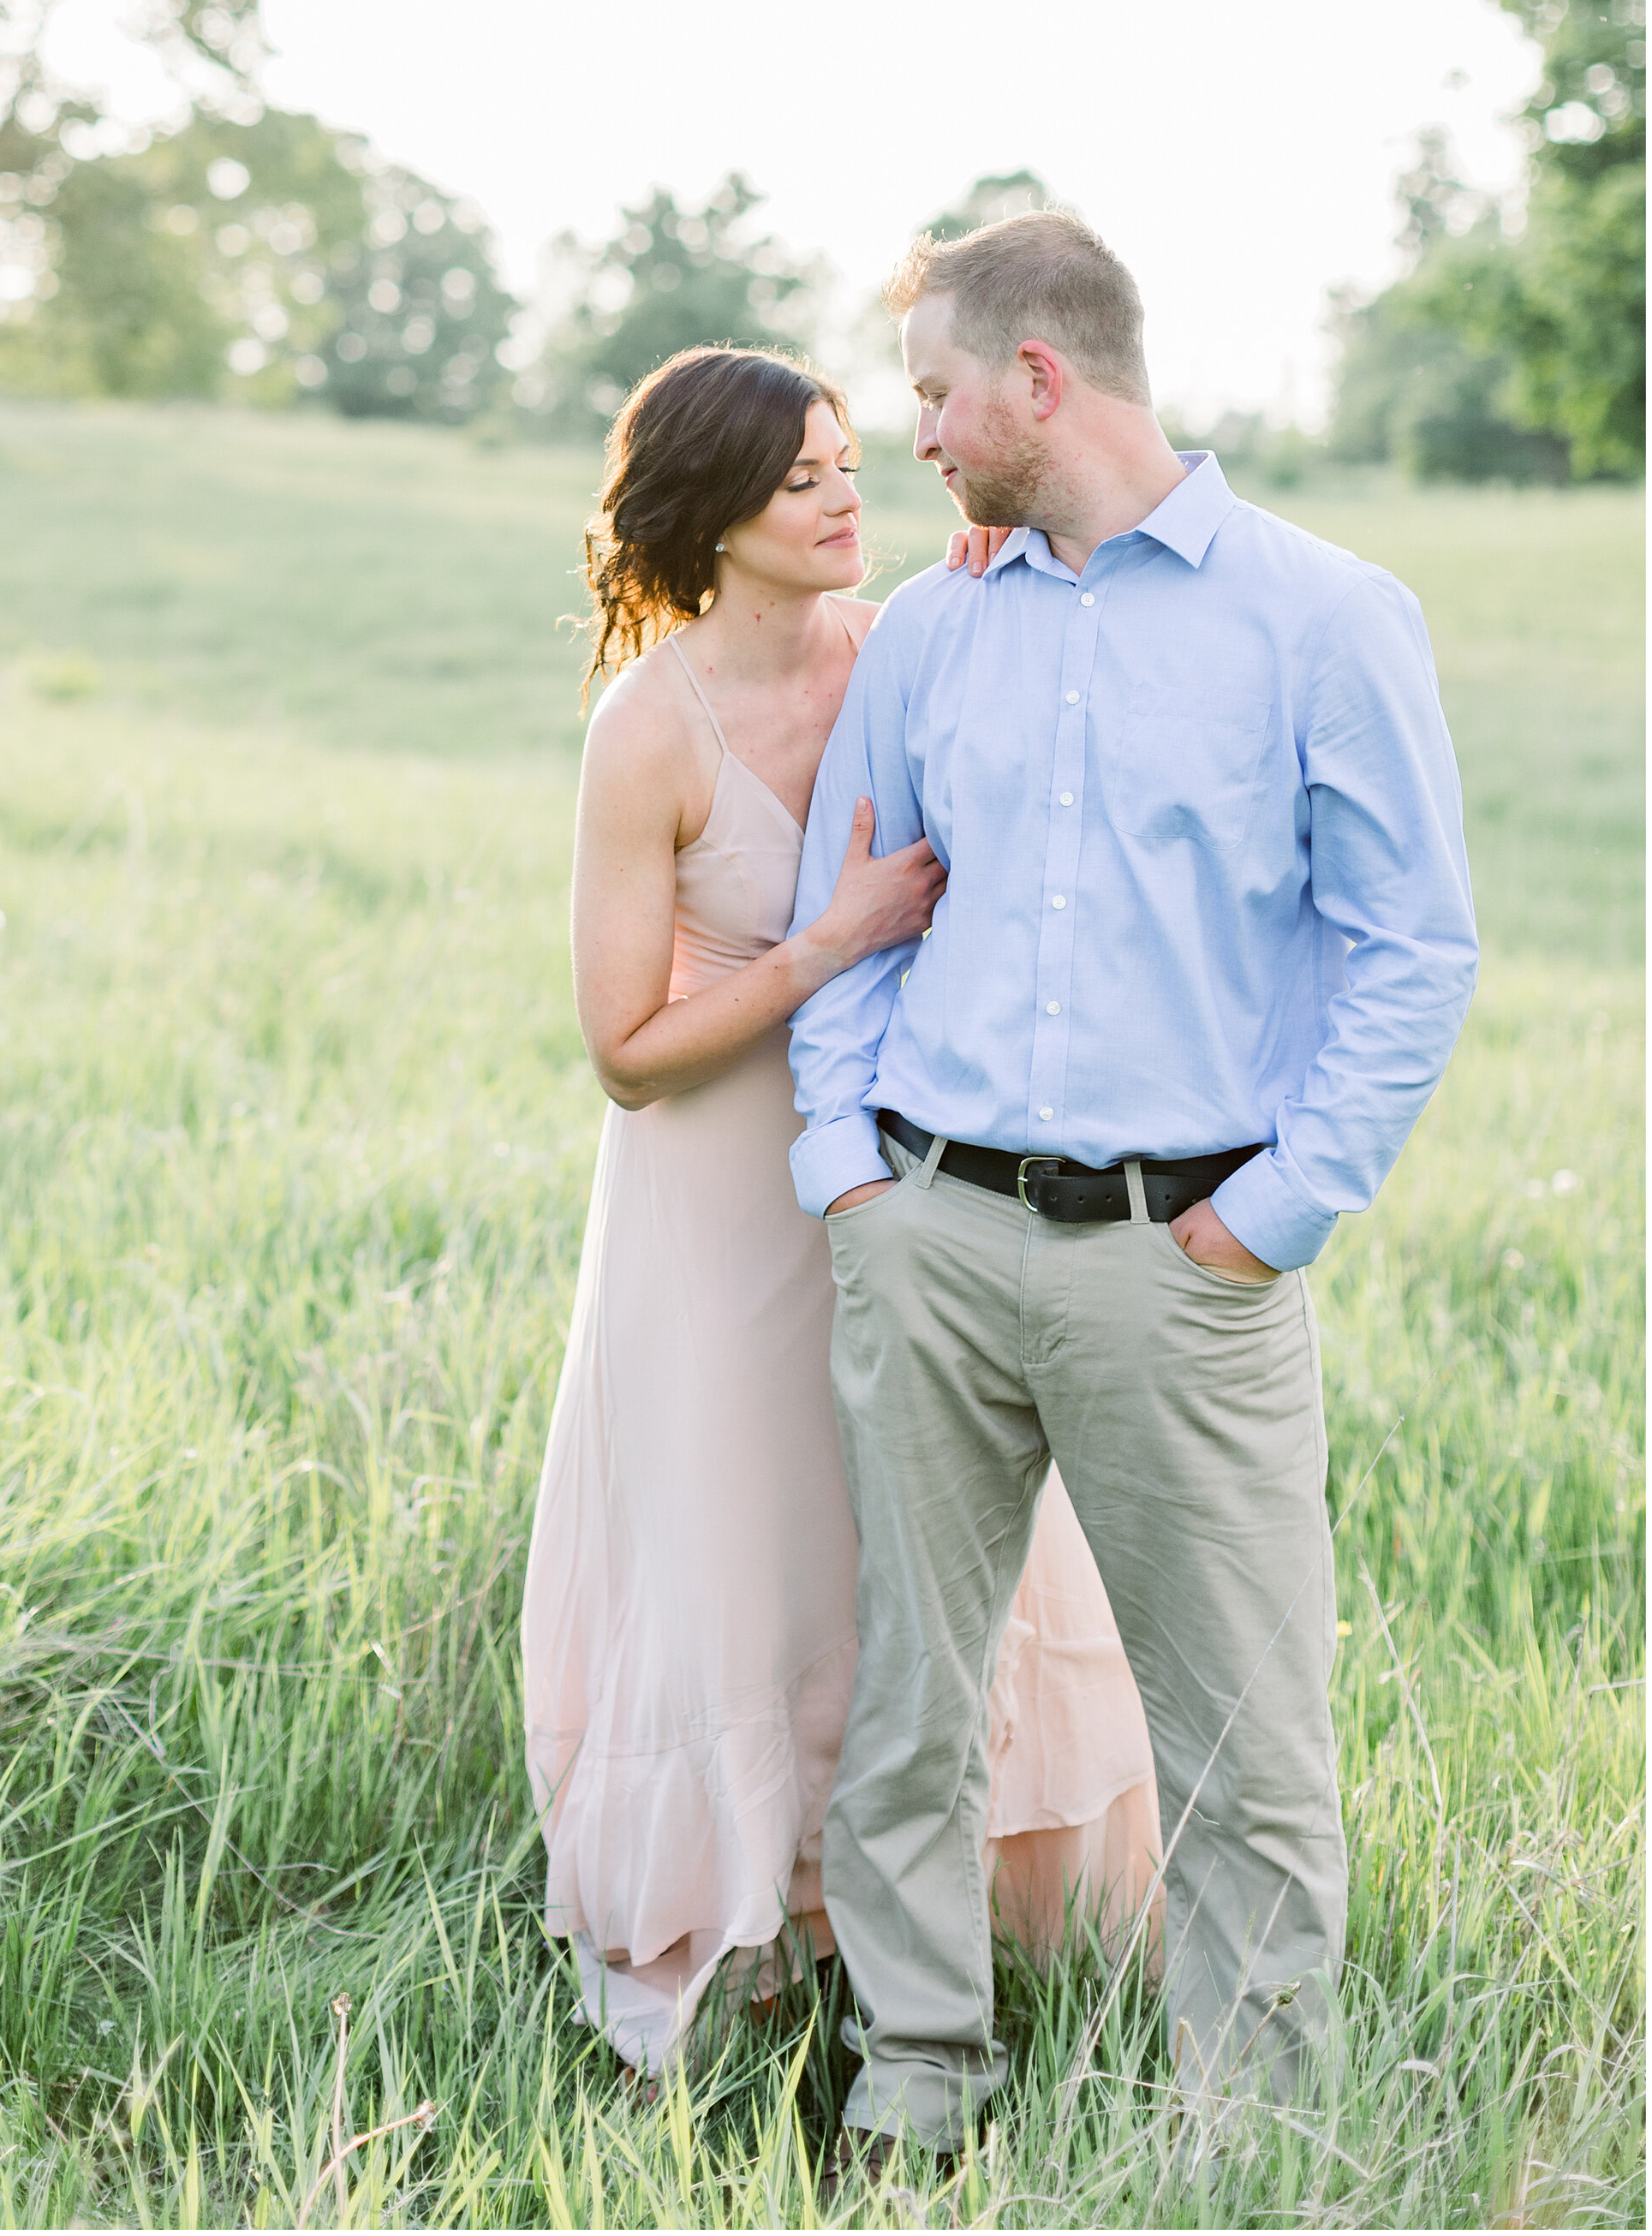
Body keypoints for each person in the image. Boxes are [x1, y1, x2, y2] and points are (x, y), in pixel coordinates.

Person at [788, 210, 1481, 2156]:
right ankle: (911, 2089)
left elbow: (1411, 948)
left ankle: (1245, 2144)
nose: (911, 433)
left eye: (929, 391)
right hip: (925, 1233)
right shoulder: (927, 630)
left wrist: (1273, 1213)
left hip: (1179, 1261)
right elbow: (855, 913)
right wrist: (845, 1172)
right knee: (911, 1705)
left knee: (1241, 1736)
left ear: (1037, 378)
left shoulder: (1323, 617)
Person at [522, 343, 1166, 2081]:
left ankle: (948, 1903)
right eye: (799, 478)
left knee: (916, 1538)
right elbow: (624, 1051)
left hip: (896, 1168)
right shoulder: (646, 727)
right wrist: (826, 941)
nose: (841, 498)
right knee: (747, 1541)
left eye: (842, 465)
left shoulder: (888, 641)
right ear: (709, 518)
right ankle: (749, 1930)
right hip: (711, 1201)